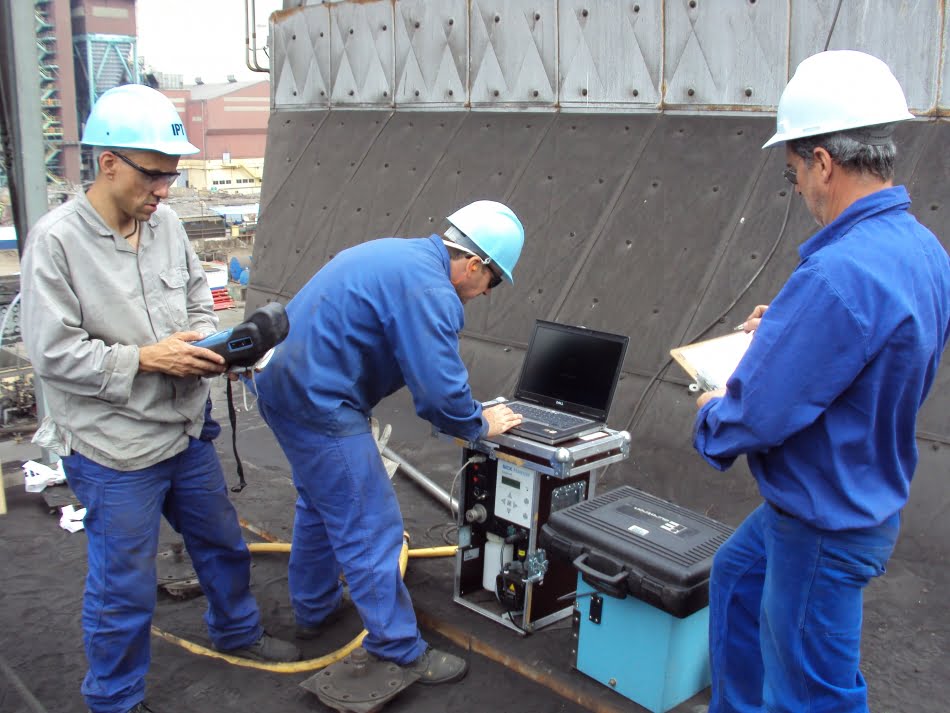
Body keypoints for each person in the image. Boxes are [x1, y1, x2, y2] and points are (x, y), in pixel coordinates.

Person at [21, 84, 300, 713]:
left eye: (172, 176)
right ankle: (114, 700)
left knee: (223, 546)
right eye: (154, 175)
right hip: (114, 450)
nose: (165, 190)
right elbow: (52, 354)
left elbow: (201, 302)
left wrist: (212, 345)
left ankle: (238, 633)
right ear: (109, 162)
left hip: (182, 431)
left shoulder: (167, 225)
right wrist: (143, 358)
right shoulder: (57, 242)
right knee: (123, 587)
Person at [692, 50, 950, 712]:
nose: (799, 186)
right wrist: (789, 330)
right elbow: (879, 344)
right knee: (737, 575)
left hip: (822, 518)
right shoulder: (923, 251)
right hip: (860, 491)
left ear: (823, 163)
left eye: (794, 171)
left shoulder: (837, 277)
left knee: (814, 694)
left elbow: (754, 417)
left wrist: (711, 409)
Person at [252, 200, 526, 688]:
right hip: (319, 401)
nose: (486, 293)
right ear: (474, 264)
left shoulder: (398, 254)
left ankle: (313, 609)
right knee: (370, 523)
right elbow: (440, 396)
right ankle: (398, 648)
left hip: (280, 382)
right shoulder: (431, 290)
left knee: (319, 502)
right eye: (493, 281)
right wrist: (479, 423)